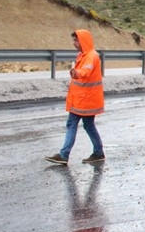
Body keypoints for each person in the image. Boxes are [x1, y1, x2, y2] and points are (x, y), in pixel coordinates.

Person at [45, 30, 106, 165]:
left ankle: (64, 155)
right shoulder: (83, 55)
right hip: (82, 99)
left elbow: (86, 70)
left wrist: (78, 73)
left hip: (85, 100)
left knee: (74, 124)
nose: (74, 43)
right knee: (87, 125)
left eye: (76, 40)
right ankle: (98, 152)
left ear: (83, 41)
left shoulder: (91, 56)